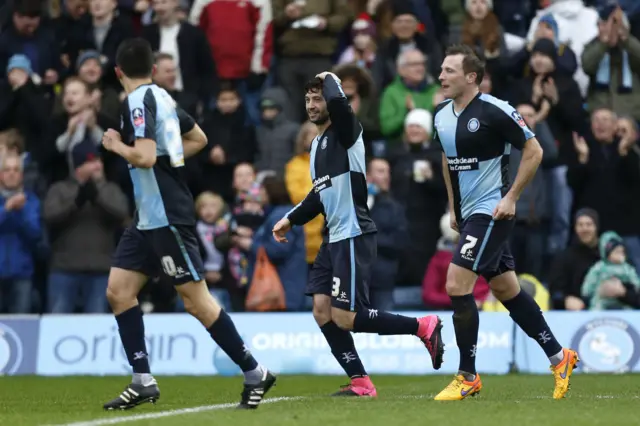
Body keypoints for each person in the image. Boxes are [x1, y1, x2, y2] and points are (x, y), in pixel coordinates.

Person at [100, 38, 275, 411]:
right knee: (119, 290)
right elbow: (198, 138)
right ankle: (142, 379)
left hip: (166, 217)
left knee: (196, 302)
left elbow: (144, 158)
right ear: (150, 69)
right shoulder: (162, 97)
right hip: (147, 218)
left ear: (118, 72)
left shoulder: (135, 102)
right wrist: (168, 156)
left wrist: (115, 145)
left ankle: (254, 370)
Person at [271, 71, 444, 397]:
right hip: (332, 236)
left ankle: (422, 326)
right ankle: (360, 381)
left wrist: (330, 77)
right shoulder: (317, 144)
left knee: (347, 317)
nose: (312, 104)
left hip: (353, 233)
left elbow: (339, 101)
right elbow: (320, 194)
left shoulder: (347, 133)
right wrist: (291, 219)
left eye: (318, 98)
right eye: (308, 99)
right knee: (322, 311)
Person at [432, 44, 579, 401]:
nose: (440, 77)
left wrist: (510, 197)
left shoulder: (496, 110)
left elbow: (534, 151)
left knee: (456, 284)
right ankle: (561, 357)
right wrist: (454, 208)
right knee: (506, 291)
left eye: (449, 71)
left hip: (492, 212)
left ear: (471, 77)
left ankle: (468, 375)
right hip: (469, 214)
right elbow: (447, 161)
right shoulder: (440, 114)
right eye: (441, 70)